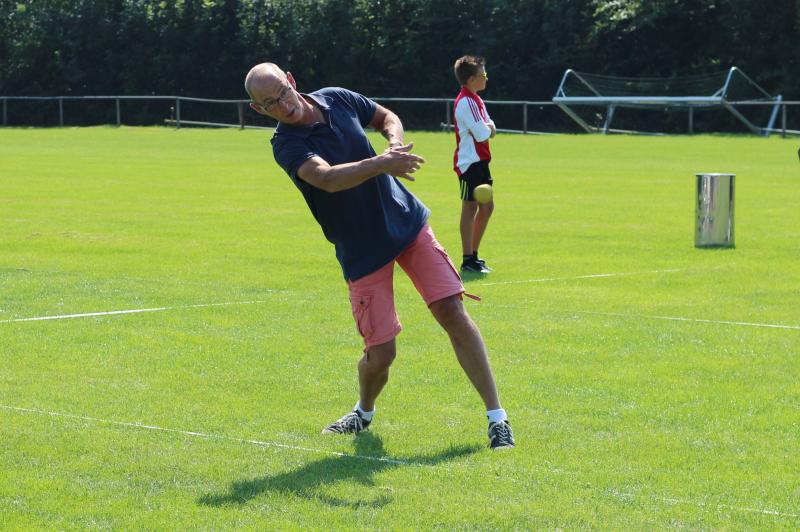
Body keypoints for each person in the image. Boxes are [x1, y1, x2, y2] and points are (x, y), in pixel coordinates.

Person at [244, 62, 514, 450]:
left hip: (406, 221)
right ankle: (363, 411)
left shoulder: (336, 98)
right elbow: (327, 178)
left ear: (291, 80)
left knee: (452, 311)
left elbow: (386, 117)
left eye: (283, 93)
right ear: (258, 110)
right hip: (361, 248)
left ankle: (497, 418)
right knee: (382, 352)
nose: (284, 106)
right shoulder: (286, 144)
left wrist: (394, 144)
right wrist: (382, 164)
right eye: (271, 104)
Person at [452, 55, 496, 274]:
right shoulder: (466, 102)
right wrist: (489, 128)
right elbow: (483, 133)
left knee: (487, 207)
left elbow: (489, 126)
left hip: (481, 162)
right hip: (469, 164)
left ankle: (474, 256)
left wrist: (488, 127)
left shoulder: (476, 100)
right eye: (482, 75)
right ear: (471, 79)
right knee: (470, 207)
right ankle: (467, 258)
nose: (486, 77)